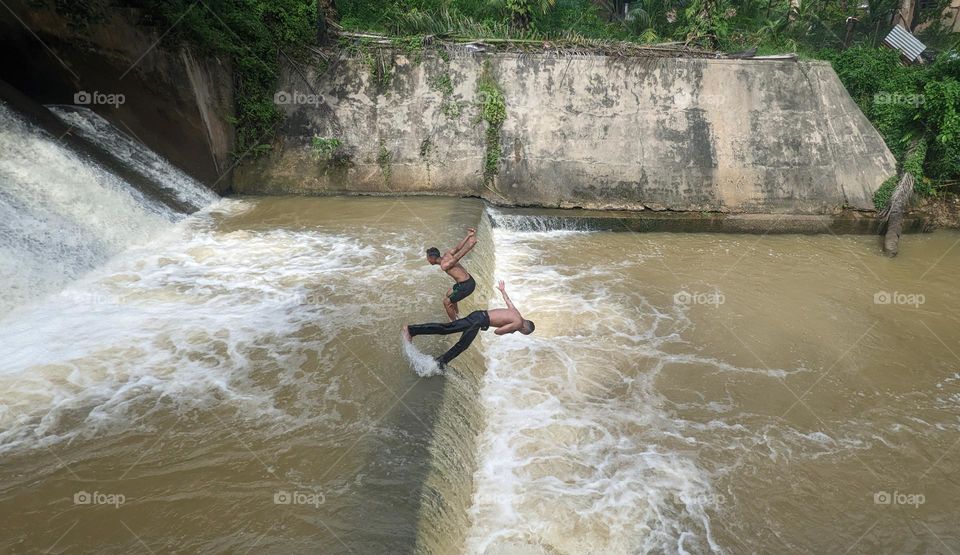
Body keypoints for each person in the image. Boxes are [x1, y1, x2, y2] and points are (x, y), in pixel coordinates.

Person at [403, 280, 535, 368]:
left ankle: (440, 362)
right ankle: (412, 330)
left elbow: (508, 301)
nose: (519, 332)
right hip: (478, 320)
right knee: (447, 329)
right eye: (521, 332)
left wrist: (502, 290)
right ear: (524, 328)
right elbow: (497, 331)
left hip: (479, 319)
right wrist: (510, 330)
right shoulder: (518, 324)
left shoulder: (517, 314)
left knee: (463, 345)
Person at [426, 228, 478, 321]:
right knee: (448, 294)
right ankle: (457, 315)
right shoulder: (447, 254)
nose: (428, 260)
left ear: (432, 258)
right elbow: (458, 248)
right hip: (467, 281)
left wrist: (470, 246)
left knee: (446, 302)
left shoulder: (444, 265)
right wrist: (468, 236)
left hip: (466, 285)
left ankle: (454, 323)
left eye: (428, 258)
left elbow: (458, 257)